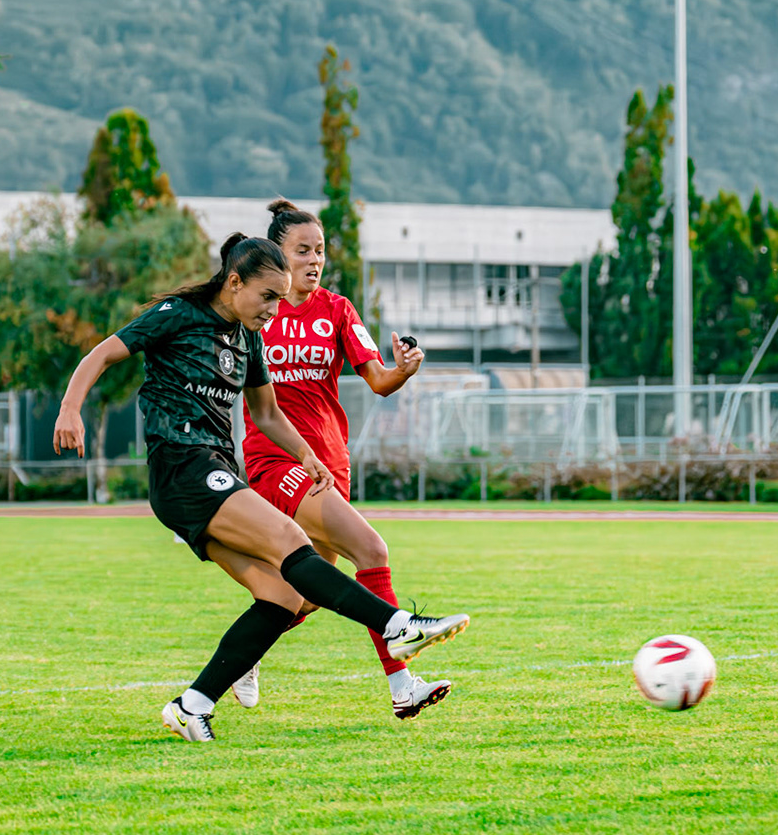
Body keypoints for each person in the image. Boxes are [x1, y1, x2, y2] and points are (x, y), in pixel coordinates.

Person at [53, 233, 470, 743]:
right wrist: (70, 406)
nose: (274, 310)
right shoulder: (177, 314)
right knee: (292, 544)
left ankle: (192, 704)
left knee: (281, 596)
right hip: (182, 466)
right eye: (268, 296)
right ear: (234, 282)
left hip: (213, 470)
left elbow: (267, 413)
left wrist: (307, 454)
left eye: (281, 298)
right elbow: (102, 353)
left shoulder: (248, 337)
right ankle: (397, 625)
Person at [230, 198, 446, 719]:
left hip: (330, 465)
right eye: (301, 250)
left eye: (320, 250)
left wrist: (405, 369)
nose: (313, 259)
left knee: (304, 595)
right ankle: (402, 686)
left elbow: (378, 381)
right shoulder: (258, 312)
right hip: (279, 465)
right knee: (371, 549)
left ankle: (242, 655)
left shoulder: (337, 309)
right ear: (275, 256)